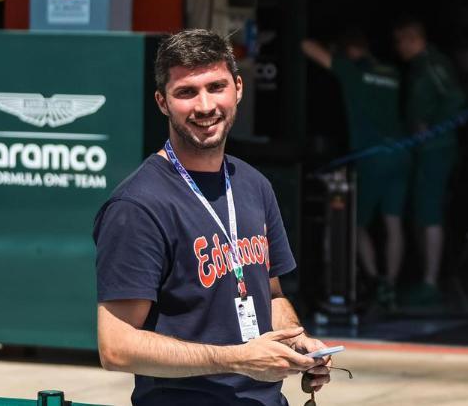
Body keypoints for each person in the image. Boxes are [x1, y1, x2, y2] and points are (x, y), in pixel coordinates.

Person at [93, 29, 332, 405]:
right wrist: (235, 359)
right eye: (186, 92)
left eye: (216, 87)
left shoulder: (254, 185)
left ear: (238, 88)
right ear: (162, 102)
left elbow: (269, 295)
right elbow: (116, 347)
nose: (205, 106)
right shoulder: (138, 207)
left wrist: (296, 342)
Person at [302, 28, 412, 311]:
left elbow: (309, 48)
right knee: (393, 223)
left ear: (349, 52)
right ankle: (390, 286)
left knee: (357, 223)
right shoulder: (392, 73)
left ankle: (375, 279)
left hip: (371, 157)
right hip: (401, 155)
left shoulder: (351, 71)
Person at [393, 17, 465, 306]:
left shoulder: (434, 65)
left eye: (400, 41)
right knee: (422, 213)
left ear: (412, 38)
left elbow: (456, 98)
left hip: (438, 149)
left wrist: (431, 124)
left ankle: (430, 281)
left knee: (430, 213)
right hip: (423, 150)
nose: (397, 48)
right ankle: (426, 278)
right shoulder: (419, 67)